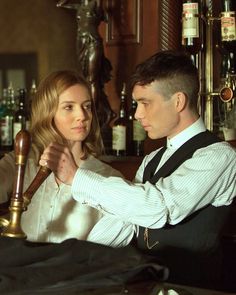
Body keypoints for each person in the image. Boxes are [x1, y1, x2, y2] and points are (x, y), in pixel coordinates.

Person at [39, 51, 236, 288]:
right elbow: (121, 223)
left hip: (194, 290)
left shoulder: (219, 156)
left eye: (145, 103)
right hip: (147, 286)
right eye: (136, 104)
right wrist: (68, 268)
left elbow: (160, 207)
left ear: (178, 101)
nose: (137, 114)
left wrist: (76, 177)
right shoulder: (152, 160)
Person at [0, 70, 135, 245]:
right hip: (20, 271)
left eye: (86, 106)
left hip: (74, 271)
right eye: (68, 107)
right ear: (48, 113)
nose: (82, 116)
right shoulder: (20, 163)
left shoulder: (107, 177)